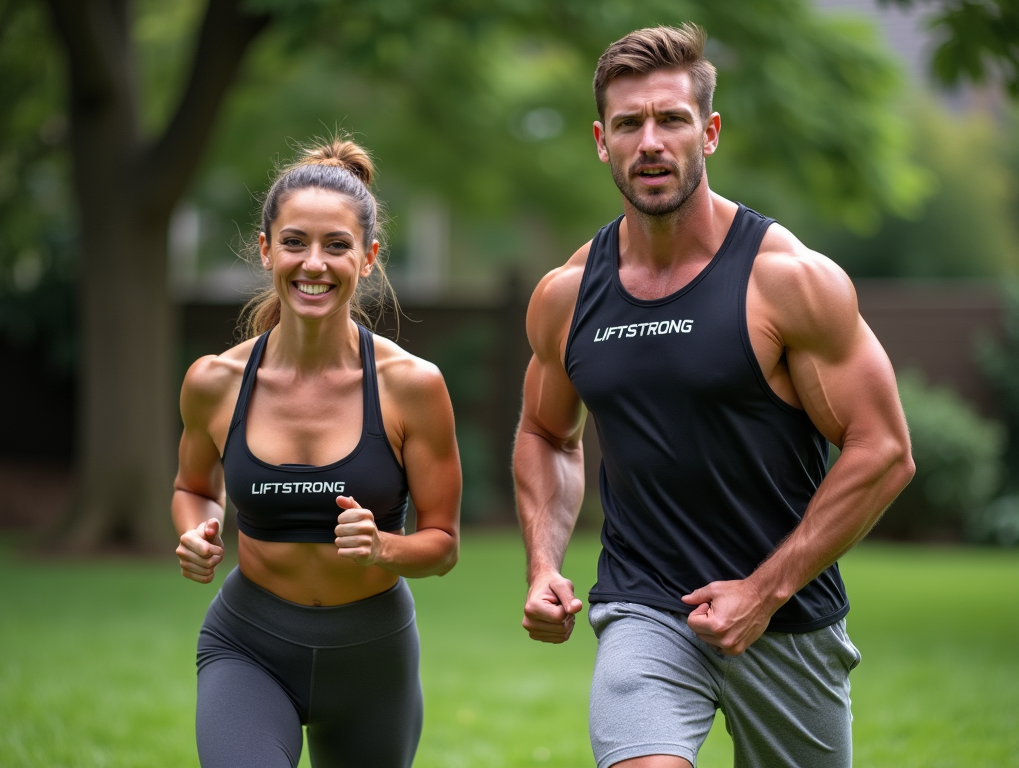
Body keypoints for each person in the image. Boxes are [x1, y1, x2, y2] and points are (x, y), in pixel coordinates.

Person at [514, 23, 915, 768]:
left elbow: (884, 450)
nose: (651, 142)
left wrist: (764, 592)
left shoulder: (789, 281)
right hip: (643, 604)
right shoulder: (568, 296)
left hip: (788, 619)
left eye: (671, 119)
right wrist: (543, 566)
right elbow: (545, 432)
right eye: (630, 124)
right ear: (602, 141)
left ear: (711, 131)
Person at [172, 137, 462, 768]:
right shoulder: (215, 382)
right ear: (266, 248)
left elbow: (442, 544)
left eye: (337, 246)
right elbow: (192, 488)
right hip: (247, 644)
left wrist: (384, 546)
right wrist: (198, 530)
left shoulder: (411, 386)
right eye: (296, 242)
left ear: (368, 257)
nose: (314, 264)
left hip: (372, 656)